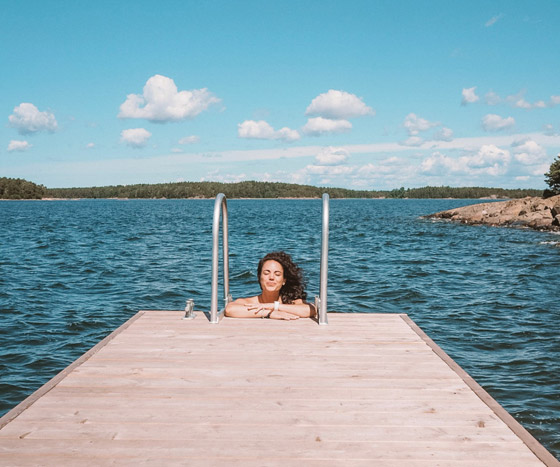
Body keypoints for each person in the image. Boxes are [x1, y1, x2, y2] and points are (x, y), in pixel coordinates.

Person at [225, 251, 316, 320]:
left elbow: (311, 310)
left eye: (277, 274)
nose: (271, 277)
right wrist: (269, 313)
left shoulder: (291, 302)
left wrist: (274, 306)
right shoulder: (252, 302)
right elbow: (230, 309)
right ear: (259, 277)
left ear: (284, 280)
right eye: (266, 273)